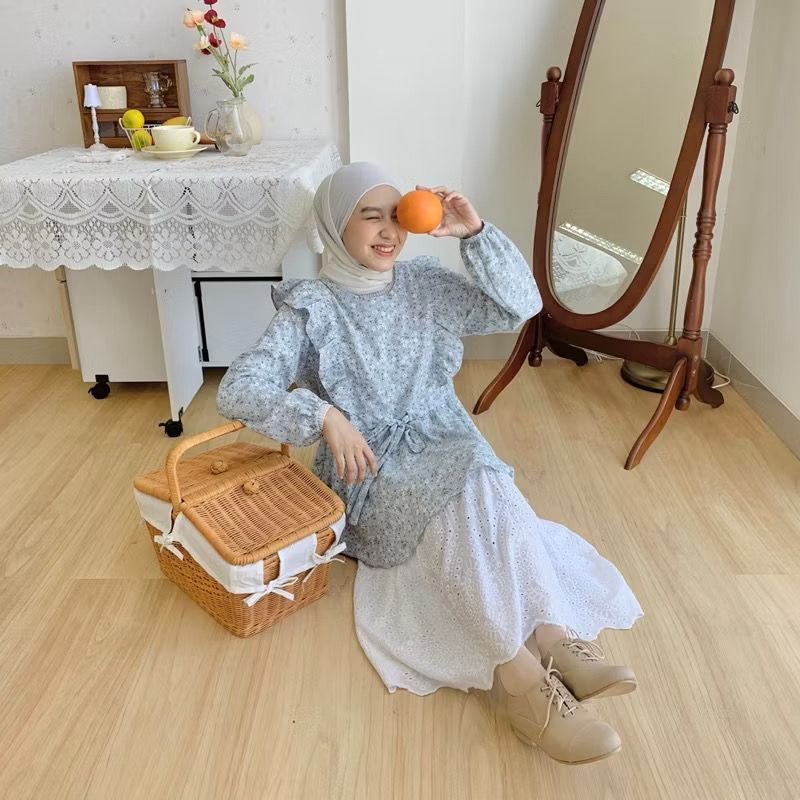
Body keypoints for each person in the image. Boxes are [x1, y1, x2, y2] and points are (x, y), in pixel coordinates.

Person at [217, 162, 643, 765]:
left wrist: (475, 234)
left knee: (490, 486)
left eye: (397, 216)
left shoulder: (423, 284)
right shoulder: (310, 308)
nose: (389, 230)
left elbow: (520, 306)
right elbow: (238, 389)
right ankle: (522, 684)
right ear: (335, 225)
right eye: (370, 216)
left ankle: (554, 636)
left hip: (445, 435)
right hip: (369, 468)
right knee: (447, 521)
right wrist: (324, 415)